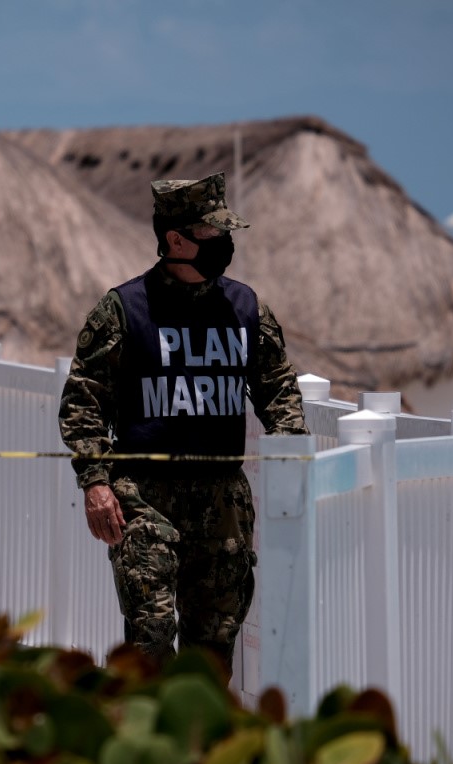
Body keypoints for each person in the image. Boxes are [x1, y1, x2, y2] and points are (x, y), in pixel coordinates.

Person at [58, 172, 308, 678]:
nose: (226, 244)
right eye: (213, 234)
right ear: (175, 239)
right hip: (144, 498)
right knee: (149, 637)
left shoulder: (246, 309)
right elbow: (83, 401)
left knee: (214, 645)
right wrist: (95, 483)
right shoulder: (124, 310)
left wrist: (292, 458)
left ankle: (202, 749)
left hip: (223, 503)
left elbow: (279, 391)